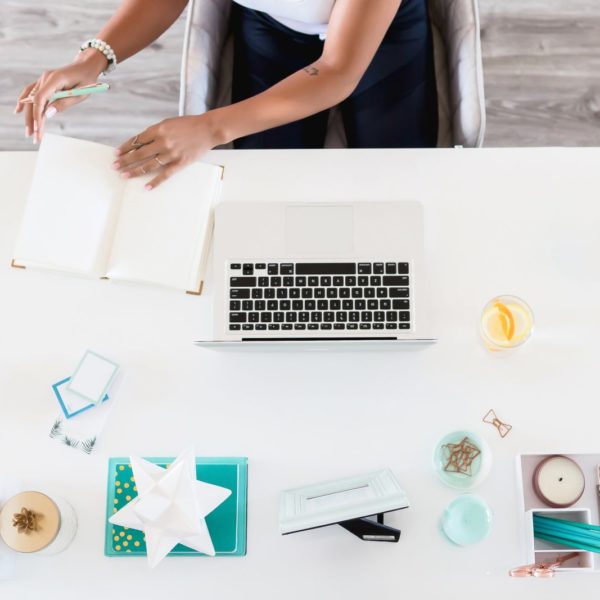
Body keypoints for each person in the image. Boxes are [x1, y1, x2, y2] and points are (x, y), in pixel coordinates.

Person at [15, 0, 437, 189]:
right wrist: (93, 59)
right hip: (275, 25)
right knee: (268, 190)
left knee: (398, 180)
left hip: (382, 33)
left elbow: (337, 69)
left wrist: (210, 126)